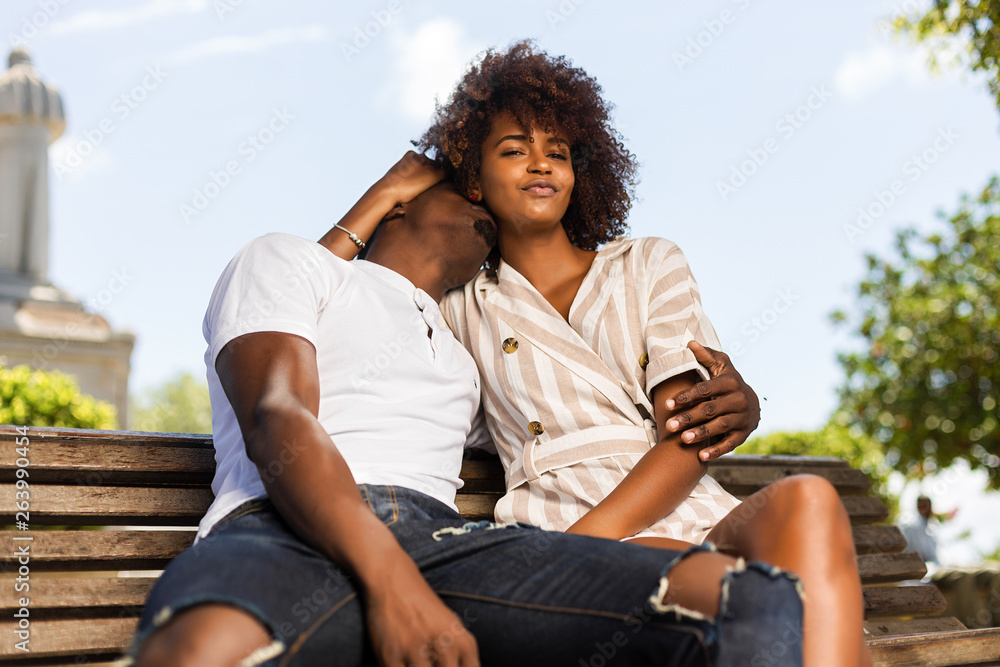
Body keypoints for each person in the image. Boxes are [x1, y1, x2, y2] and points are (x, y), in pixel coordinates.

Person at [128, 161, 804, 666]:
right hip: (283, 521)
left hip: (445, 544)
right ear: (401, 205)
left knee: (751, 601)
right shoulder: (290, 262)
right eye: (463, 186)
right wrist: (390, 579)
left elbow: (580, 408)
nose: (486, 204)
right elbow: (278, 414)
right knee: (201, 650)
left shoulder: (461, 349)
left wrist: (736, 399)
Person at [327, 41, 869, 667]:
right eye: (513, 150)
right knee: (774, 618)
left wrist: (597, 538)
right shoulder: (460, 303)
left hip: (680, 509)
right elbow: (314, 309)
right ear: (472, 177)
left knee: (811, 500)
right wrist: (382, 194)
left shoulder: (648, 263)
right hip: (558, 532)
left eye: (557, 152)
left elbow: (689, 434)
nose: (541, 164)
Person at [900, 494, 958, 565]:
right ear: (919, 507)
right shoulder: (912, 526)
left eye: (929, 506)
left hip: (932, 566)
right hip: (919, 568)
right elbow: (922, 555)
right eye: (925, 506)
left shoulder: (929, 527)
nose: (929, 509)